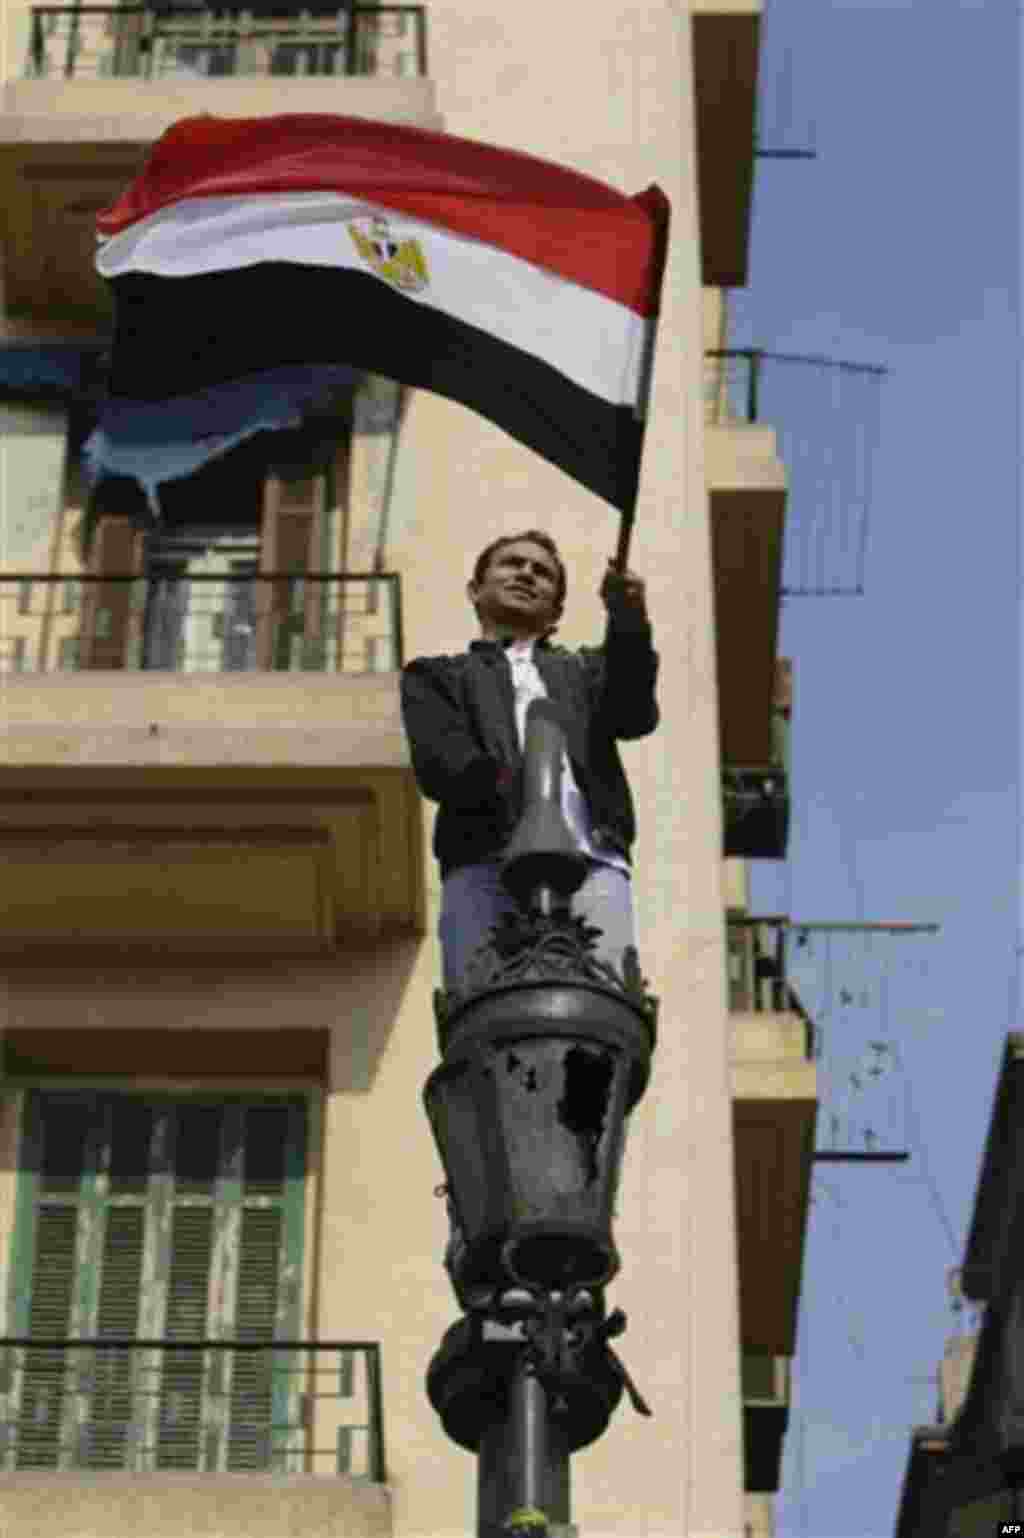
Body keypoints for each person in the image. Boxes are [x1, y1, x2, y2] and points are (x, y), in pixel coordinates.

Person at [400, 530, 660, 992]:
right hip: (483, 863)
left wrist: (628, 621)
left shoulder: (585, 672)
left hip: (593, 861)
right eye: (511, 563)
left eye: (543, 572)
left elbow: (634, 714)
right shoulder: (437, 677)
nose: (526, 573)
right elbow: (445, 768)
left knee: (605, 1005)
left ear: (557, 609)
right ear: (475, 589)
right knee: (481, 1009)